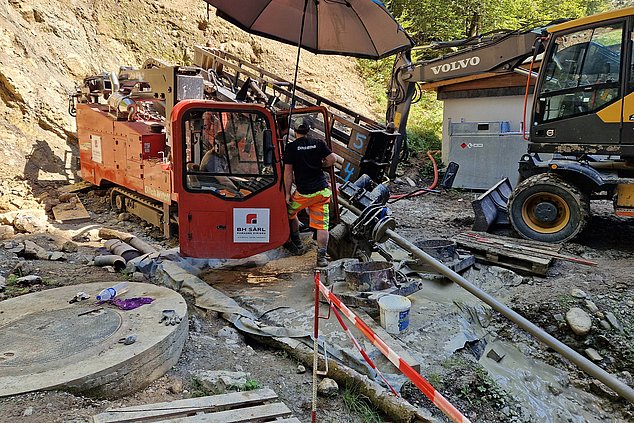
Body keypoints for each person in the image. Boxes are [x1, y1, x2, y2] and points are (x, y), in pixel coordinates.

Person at [283, 123, 336, 267]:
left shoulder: (292, 148)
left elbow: (288, 173)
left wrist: (287, 194)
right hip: (321, 192)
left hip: (303, 193)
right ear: (308, 131)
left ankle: (297, 242)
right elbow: (332, 159)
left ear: (295, 132)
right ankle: (322, 258)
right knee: (322, 225)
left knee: (289, 213)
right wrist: (321, 165)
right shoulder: (318, 143)